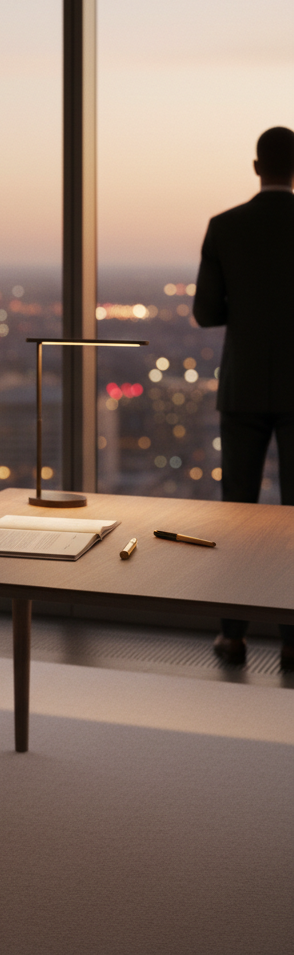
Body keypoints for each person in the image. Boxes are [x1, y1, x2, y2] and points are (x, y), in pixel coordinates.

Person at [193, 125, 294, 670]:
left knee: (239, 516)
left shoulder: (225, 226)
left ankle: (233, 636)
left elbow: (207, 313)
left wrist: (251, 311)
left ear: (257, 167)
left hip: (244, 387)